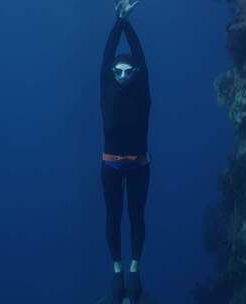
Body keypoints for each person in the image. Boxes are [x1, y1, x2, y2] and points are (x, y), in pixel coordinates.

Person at [100, 0, 151, 303]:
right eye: (116, 71)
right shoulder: (105, 88)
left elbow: (140, 56)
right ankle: (117, 269)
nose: (121, 75)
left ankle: (135, 267)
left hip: (140, 165)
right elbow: (107, 55)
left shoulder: (142, 91)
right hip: (110, 165)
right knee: (112, 217)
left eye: (127, 71)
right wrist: (118, 22)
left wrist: (129, 25)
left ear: (135, 72)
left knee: (137, 216)